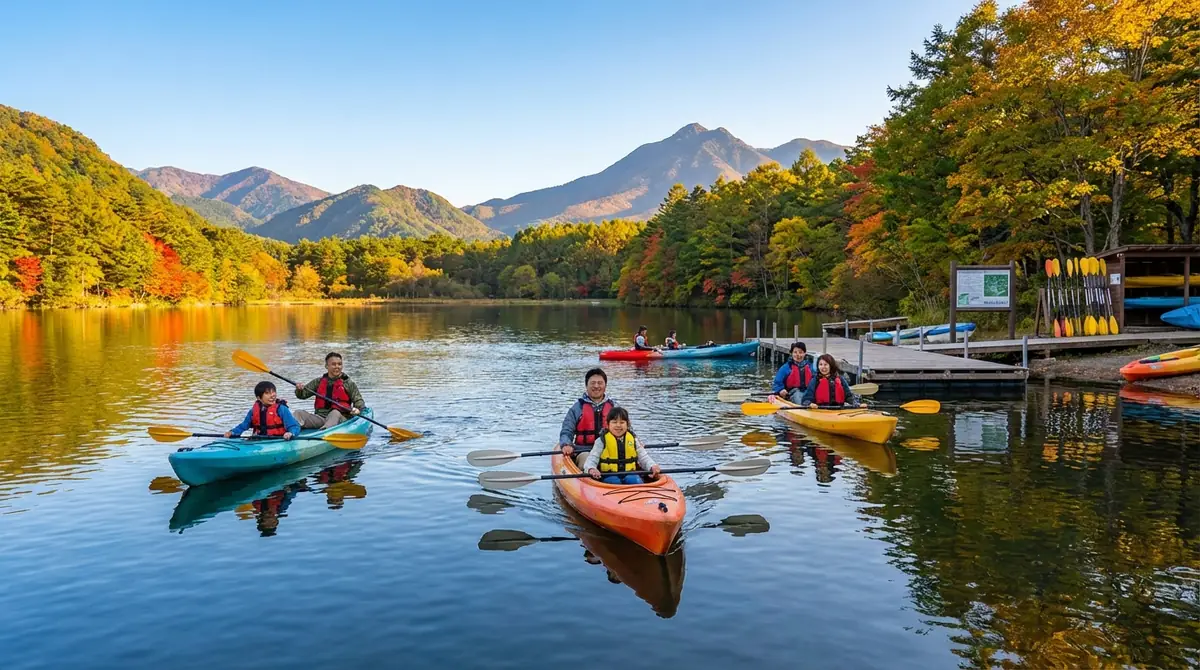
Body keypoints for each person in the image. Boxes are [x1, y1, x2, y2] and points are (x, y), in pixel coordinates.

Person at [585, 407, 661, 484]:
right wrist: (591, 469)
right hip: (609, 475)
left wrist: (652, 466)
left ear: (627, 424)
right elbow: (592, 458)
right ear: (608, 425)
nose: (618, 425)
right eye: (614, 422)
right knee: (615, 481)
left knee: (634, 480)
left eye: (622, 422)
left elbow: (643, 457)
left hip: (630, 473)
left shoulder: (633, 439)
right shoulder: (601, 441)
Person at [293, 352, 366, 429]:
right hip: (321, 418)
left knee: (335, 413)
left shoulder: (348, 383)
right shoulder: (318, 382)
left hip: (341, 419)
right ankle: (291, 431)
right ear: (326, 366)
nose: (337, 367)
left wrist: (357, 409)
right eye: (333, 364)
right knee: (299, 413)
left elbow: (359, 401)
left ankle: (324, 432)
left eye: (339, 364)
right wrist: (299, 390)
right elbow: (302, 395)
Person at [559, 368, 618, 461]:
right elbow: (567, 431)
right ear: (586, 385)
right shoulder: (577, 408)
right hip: (584, 451)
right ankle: (587, 474)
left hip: (609, 449)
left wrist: (636, 441)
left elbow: (627, 428)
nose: (596, 386)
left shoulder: (614, 407)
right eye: (593, 383)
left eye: (600, 383)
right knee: (587, 459)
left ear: (605, 385)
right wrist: (566, 444)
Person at [225, 381, 300, 440]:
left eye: (273, 392)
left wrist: (290, 433)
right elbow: (243, 426)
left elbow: (293, 426)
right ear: (259, 398)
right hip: (260, 439)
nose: (272, 396)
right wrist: (232, 432)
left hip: (279, 440)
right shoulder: (253, 411)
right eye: (267, 393)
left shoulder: (281, 409)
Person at [799, 354, 867, 409]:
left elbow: (848, 396)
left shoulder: (840, 379)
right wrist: (809, 404)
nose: (823, 367)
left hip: (839, 410)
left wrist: (856, 404)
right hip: (821, 411)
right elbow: (806, 399)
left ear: (831, 366)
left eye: (825, 365)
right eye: (820, 365)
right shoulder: (815, 380)